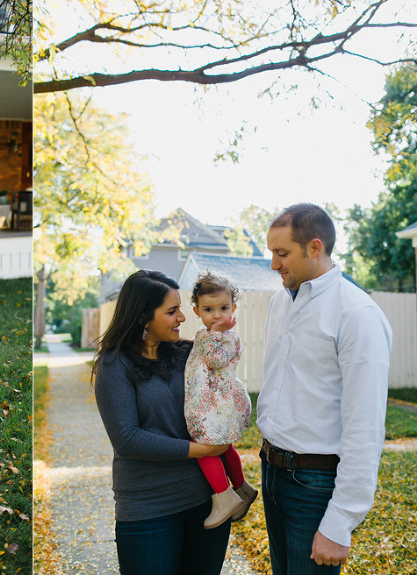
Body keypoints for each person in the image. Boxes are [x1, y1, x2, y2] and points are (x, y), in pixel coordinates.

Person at [258, 203, 393, 574]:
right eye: (272, 252)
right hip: (272, 471)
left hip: (314, 485)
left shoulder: (357, 314)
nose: (274, 264)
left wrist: (340, 522)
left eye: (282, 253)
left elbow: (365, 426)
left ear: (314, 248)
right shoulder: (278, 303)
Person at [93, 269, 231, 575]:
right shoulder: (114, 364)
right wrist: (204, 450)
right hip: (148, 509)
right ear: (143, 317)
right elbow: (128, 439)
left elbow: (221, 390)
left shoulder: (187, 355)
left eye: (180, 308)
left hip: (206, 503)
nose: (182, 317)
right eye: (172, 311)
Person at [184, 270, 257, 529]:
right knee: (224, 447)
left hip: (217, 405)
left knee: (203, 448)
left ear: (233, 308)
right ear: (197, 311)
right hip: (214, 403)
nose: (217, 315)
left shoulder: (227, 336)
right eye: (209, 309)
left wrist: (215, 332)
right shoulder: (208, 335)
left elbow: (215, 360)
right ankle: (242, 487)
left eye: (223, 308)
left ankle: (224, 496)